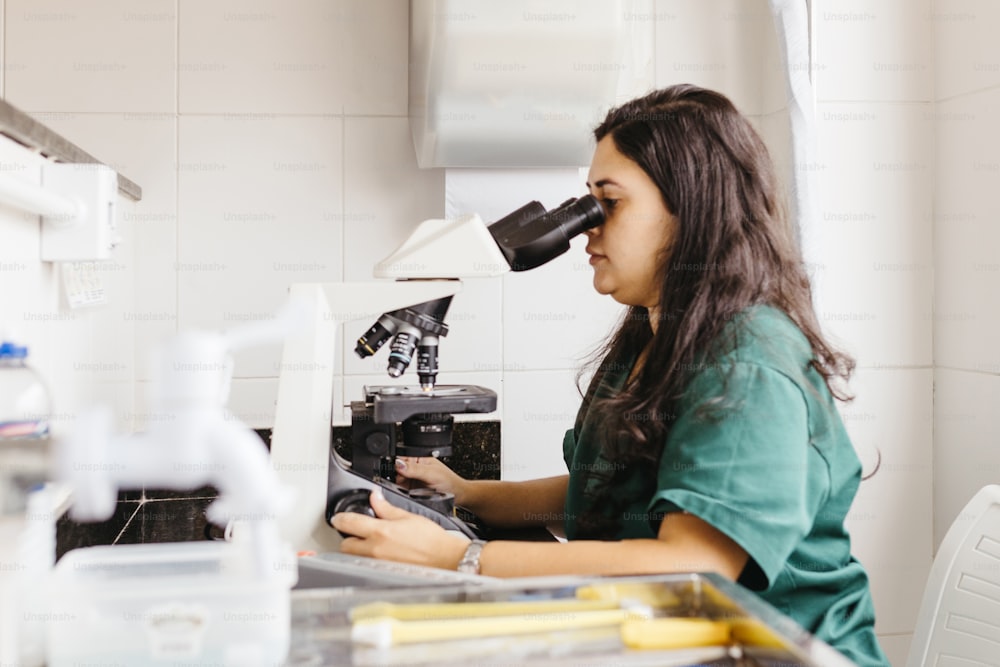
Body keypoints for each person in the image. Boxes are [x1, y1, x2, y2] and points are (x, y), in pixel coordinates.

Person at [332, 84, 890, 666]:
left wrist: (459, 559)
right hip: (671, 639)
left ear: (689, 208)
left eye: (609, 204)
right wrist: (471, 497)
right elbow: (609, 490)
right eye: (586, 204)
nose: (585, 229)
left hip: (775, 651)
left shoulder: (746, 362)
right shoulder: (654, 334)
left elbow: (691, 566)